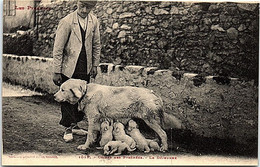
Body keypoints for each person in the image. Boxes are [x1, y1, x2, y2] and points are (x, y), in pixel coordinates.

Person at [52, 0, 101, 142]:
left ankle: (75, 125)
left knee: (81, 96)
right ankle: (67, 127)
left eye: (89, 7)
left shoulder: (94, 21)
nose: (85, 10)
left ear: (93, 7)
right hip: (68, 67)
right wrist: (57, 71)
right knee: (67, 96)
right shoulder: (67, 21)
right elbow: (58, 48)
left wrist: (95, 65)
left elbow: (96, 44)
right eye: (82, 6)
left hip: (85, 66)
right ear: (77, 4)